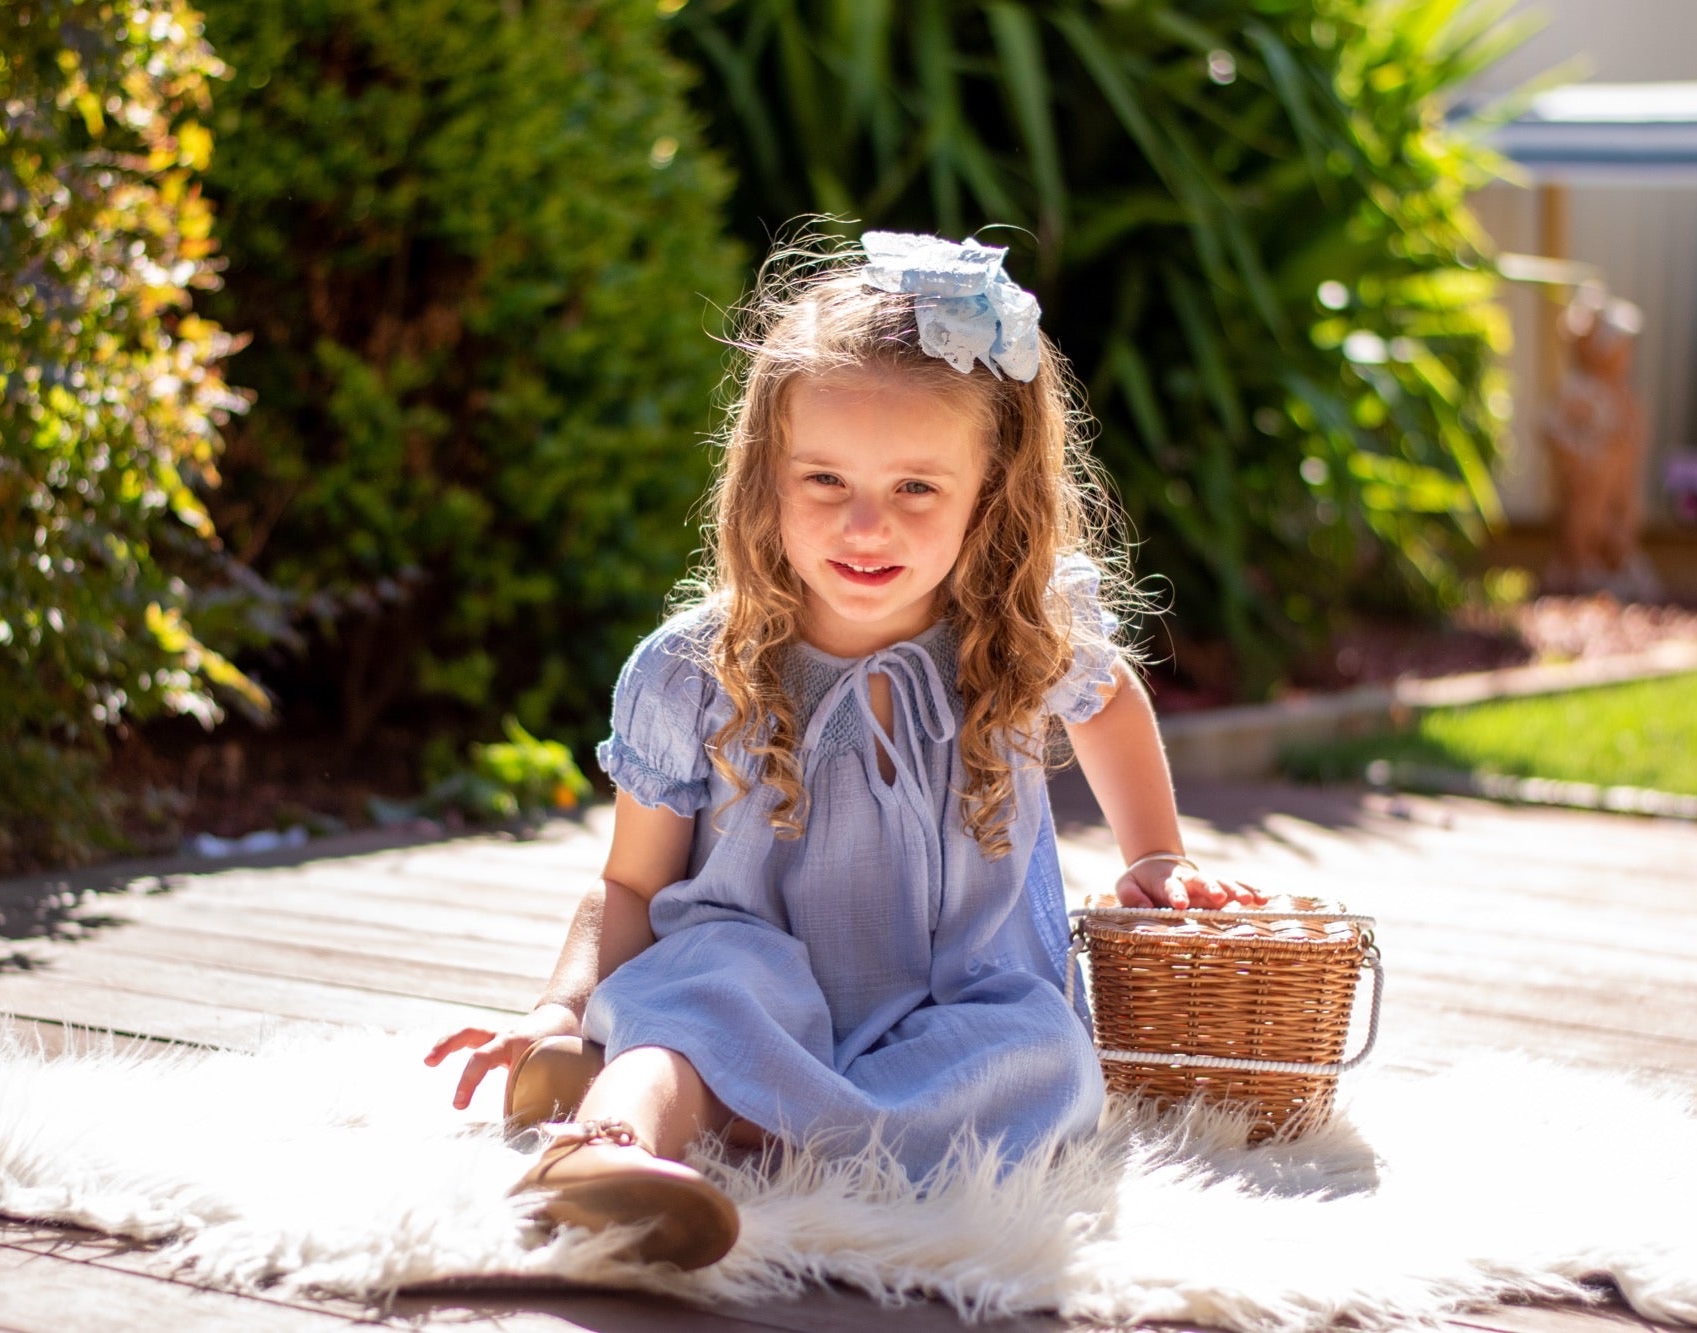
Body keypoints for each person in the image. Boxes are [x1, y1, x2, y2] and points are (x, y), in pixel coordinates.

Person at [425, 232, 1262, 1271]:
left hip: (954, 991)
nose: (865, 527)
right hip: (756, 976)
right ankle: (608, 1141)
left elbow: (1110, 701)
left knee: (1041, 1054)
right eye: (823, 478)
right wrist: (556, 1004)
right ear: (762, 477)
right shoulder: (693, 666)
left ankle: (745, 1122)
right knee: (697, 997)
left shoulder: (1020, 628)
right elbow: (630, 884)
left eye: (916, 489)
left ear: (989, 493)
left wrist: (1156, 856)